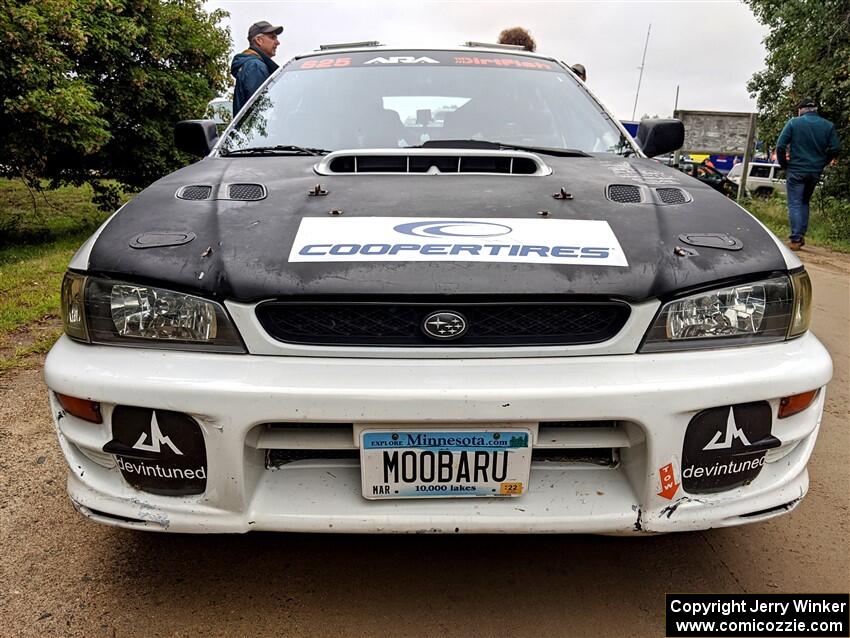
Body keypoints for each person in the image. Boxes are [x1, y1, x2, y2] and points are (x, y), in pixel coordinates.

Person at [775, 98, 841, 250]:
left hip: (796, 170)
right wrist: (823, 162)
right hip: (814, 171)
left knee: (795, 203)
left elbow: (780, 146)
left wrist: (784, 164)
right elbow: (835, 148)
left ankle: (796, 238)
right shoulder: (828, 125)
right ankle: (801, 234)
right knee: (804, 201)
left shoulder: (794, 123)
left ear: (801, 110)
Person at [231, 21, 284, 114]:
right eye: (272, 37)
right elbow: (260, 111)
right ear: (259, 40)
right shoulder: (255, 67)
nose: (277, 42)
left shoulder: (250, 64)